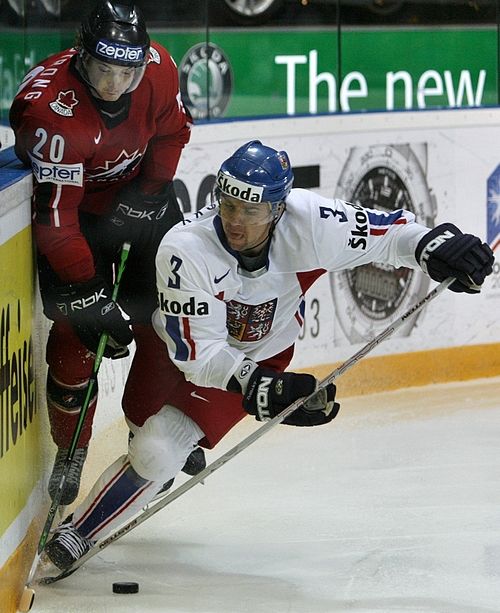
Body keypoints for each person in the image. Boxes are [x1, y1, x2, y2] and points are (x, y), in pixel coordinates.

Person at [42, 140, 494, 571]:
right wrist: (261, 389)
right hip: (177, 348)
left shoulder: (312, 221)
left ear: (278, 208)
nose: (236, 221)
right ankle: (170, 453)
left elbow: (387, 235)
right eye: (229, 204)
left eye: (252, 210)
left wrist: (434, 247)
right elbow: (199, 358)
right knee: (141, 423)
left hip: (261, 353)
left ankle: (79, 531)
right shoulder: (185, 249)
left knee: (157, 450)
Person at [8, 0, 206, 506]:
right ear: (80, 57)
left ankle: (155, 427)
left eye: (127, 71)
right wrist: (89, 291)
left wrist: (149, 192)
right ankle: (71, 449)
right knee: (77, 340)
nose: (116, 84)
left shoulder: (159, 69)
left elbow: (173, 132)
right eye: (103, 69)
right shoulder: (53, 113)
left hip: (139, 194)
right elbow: (56, 222)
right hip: (76, 219)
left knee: (170, 315)